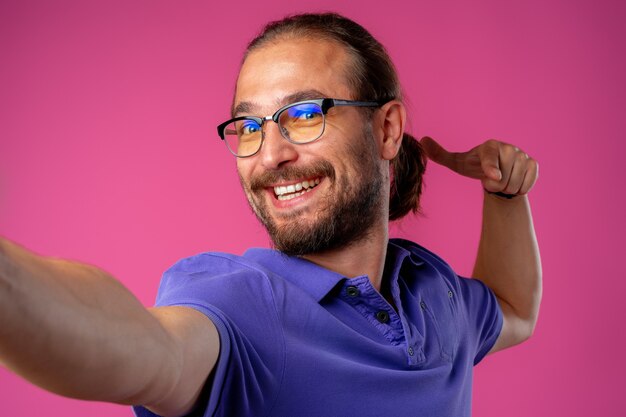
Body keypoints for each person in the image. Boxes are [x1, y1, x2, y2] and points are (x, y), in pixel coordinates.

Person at [0, 12, 541, 417]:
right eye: (250, 127)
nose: (270, 154)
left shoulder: (431, 292)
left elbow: (515, 310)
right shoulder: (239, 306)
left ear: (387, 130)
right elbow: (148, 347)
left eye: (304, 114)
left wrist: (504, 197)